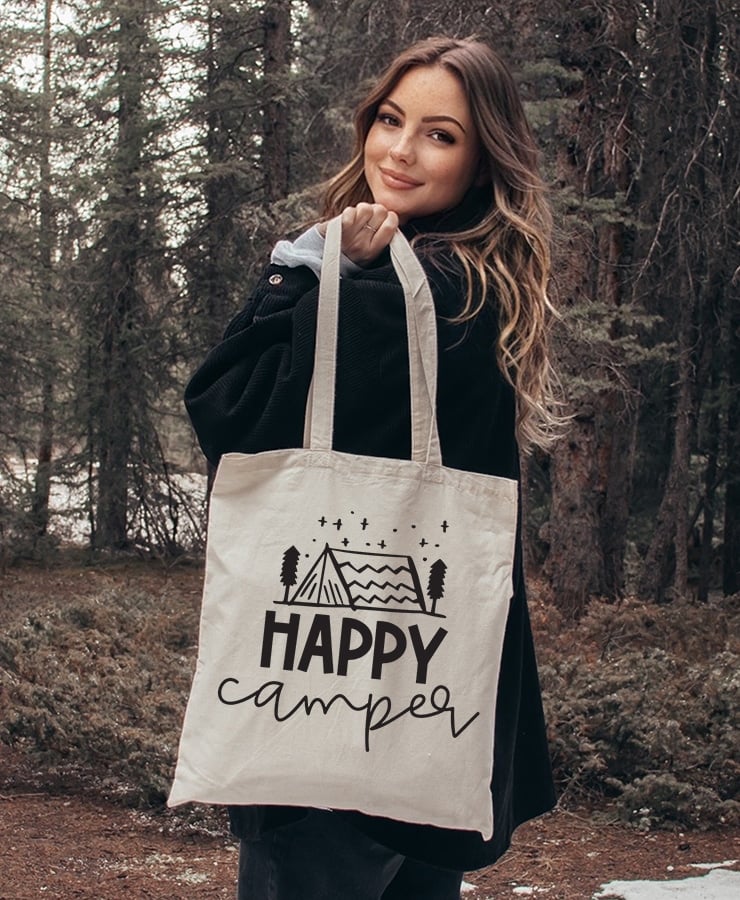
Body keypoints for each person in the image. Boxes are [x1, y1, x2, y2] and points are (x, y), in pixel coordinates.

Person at [185, 35, 558, 900]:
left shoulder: (396, 288)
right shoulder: (488, 282)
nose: (398, 149)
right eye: (391, 120)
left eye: (439, 134)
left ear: (482, 157)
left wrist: (302, 270)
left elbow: (228, 410)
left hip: (333, 710)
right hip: (436, 710)